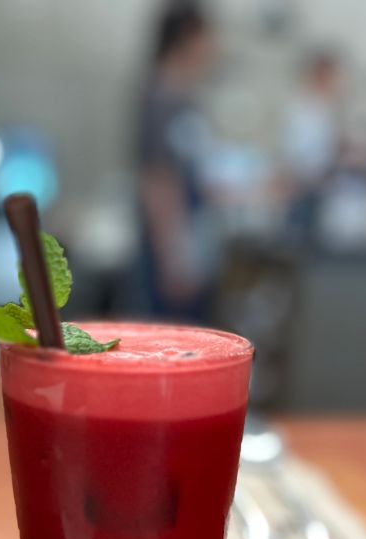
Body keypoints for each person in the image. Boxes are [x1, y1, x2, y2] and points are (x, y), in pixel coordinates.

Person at [135, 2, 217, 322]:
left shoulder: (186, 94)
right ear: (188, 37)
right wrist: (173, 255)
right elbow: (158, 177)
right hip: (170, 240)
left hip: (192, 230)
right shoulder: (161, 96)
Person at [280, 50, 343, 246]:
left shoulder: (325, 108)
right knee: (298, 237)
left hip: (320, 181)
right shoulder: (302, 107)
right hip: (304, 182)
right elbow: (295, 148)